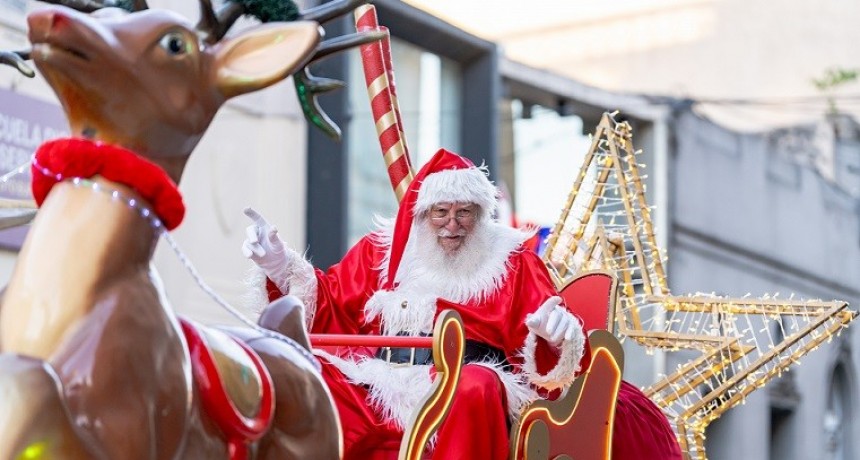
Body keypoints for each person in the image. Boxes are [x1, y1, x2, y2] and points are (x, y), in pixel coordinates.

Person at [243, 148, 588, 459]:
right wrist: (280, 266)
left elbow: (550, 326)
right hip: (383, 382)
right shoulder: (382, 250)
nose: (451, 225)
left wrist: (555, 337)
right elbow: (332, 300)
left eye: (464, 212)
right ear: (423, 214)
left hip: (462, 385)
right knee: (311, 376)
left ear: (480, 214)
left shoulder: (512, 260)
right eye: (441, 212)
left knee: (476, 385)